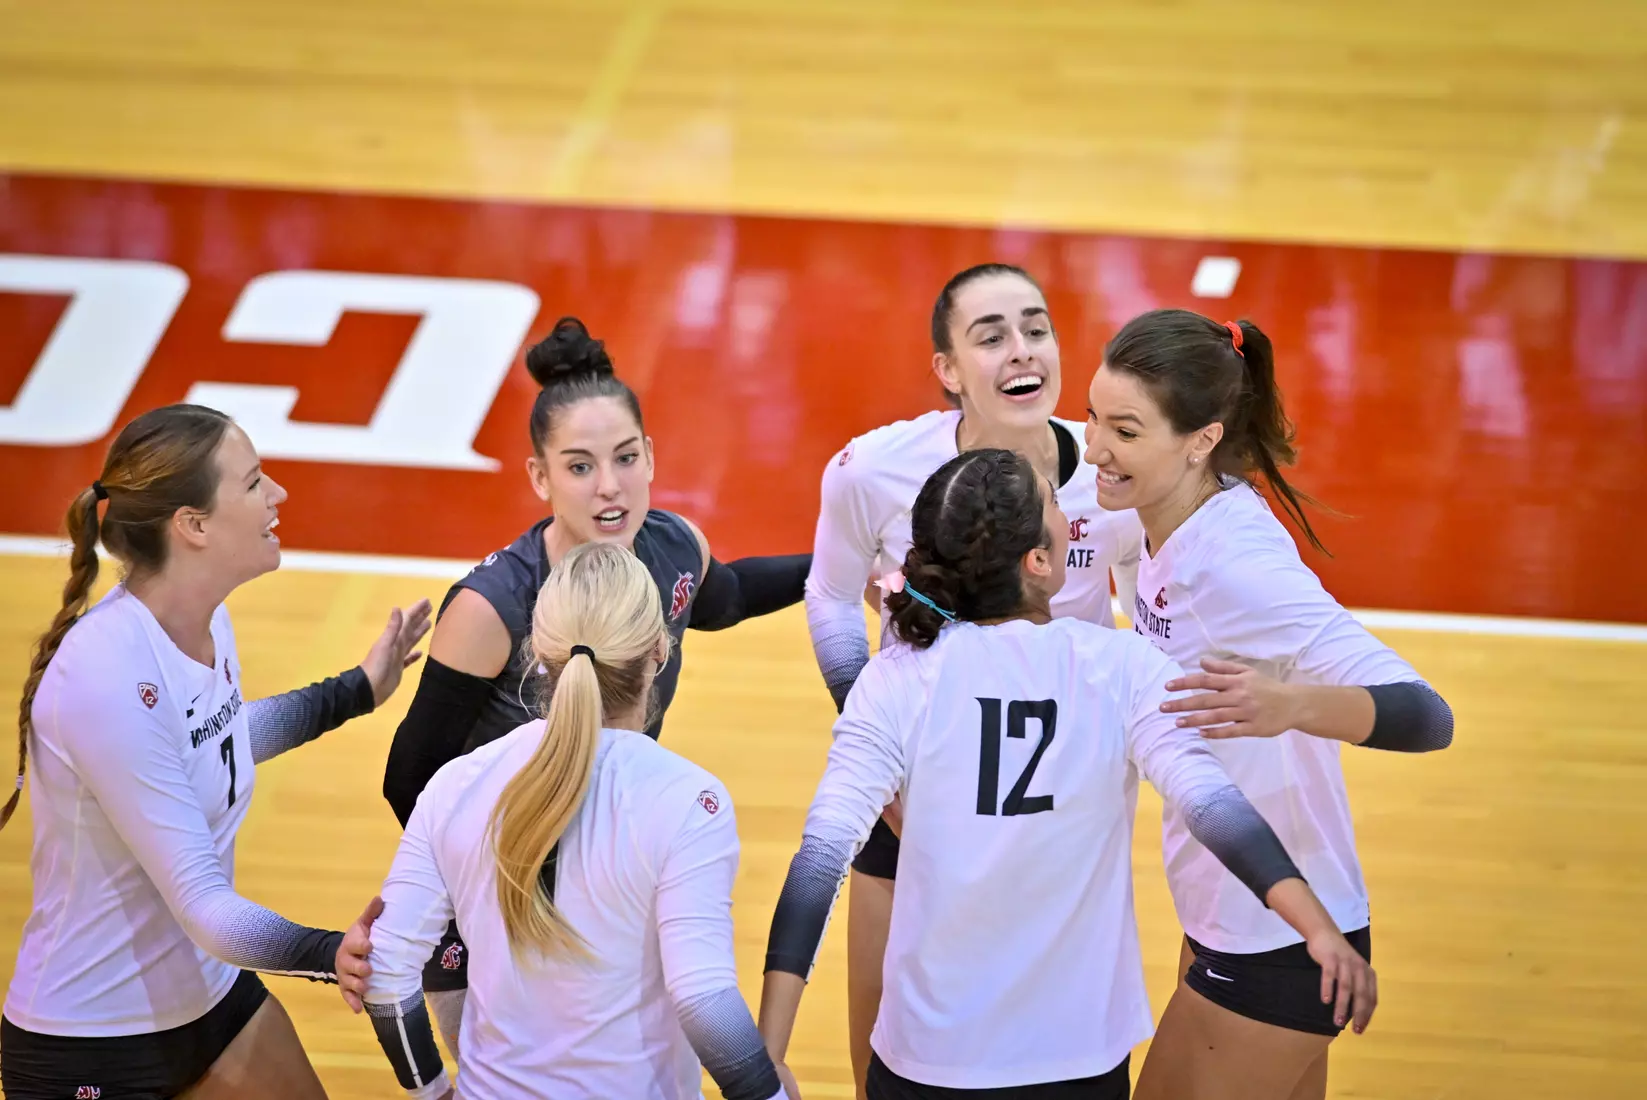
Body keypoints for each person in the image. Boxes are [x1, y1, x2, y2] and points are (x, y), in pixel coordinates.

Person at [759, 449, 1374, 1100]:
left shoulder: (893, 678)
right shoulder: (1118, 668)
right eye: (1054, 502)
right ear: (1039, 561)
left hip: (924, 1060)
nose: (1066, 511)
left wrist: (767, 1051)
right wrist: (1314, 925)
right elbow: (1215, 808)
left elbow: (819, 861)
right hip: (1074, 1060)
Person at [380, 316, 811, 1050]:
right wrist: (489, 885)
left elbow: (728, 598)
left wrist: (837, 562)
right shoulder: (493, 608)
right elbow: (409, 777)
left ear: (651, 456)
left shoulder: (674, 546)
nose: (609, 488)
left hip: (616, 877)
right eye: (579, 467)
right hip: (505, 902)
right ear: (540, 477)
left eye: (625, 458)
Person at [1, 404, 429, 1100]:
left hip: (209, 994)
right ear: (193, 525)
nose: (278, 496)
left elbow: (212, 746)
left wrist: (354, 691)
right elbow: (201, 899)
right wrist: (328, 953)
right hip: (92, 1040)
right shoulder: (106, 675)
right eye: (255, 482)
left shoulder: (204, 620)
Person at [1082, 309, 1454, 1100]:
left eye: (1122, 430)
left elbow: (1428, 716)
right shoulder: (1145, 516)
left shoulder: (1235, 566)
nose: (1095, 449)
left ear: (1200, 440)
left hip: (1275, 939)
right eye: (1091, 415)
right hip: (1233, 912)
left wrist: (1290, 704)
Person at [802, 263, 1141, 1092]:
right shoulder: (871, 470)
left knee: (1061, 1035)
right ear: (948, 370)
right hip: (913, 788)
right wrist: (868, 728)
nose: (1021, 352)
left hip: (1052, 803)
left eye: (1035, 328)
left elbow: (1149, 615)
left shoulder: (1115, 481)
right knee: (887, 1043)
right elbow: (830, 594)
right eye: (990, 337)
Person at [357, 543, 797, 1100]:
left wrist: (434, 1092)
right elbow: (702, 999)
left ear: (537, 653)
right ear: (659, 650)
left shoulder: (456, 784)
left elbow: (387, 973)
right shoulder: (689, 800)